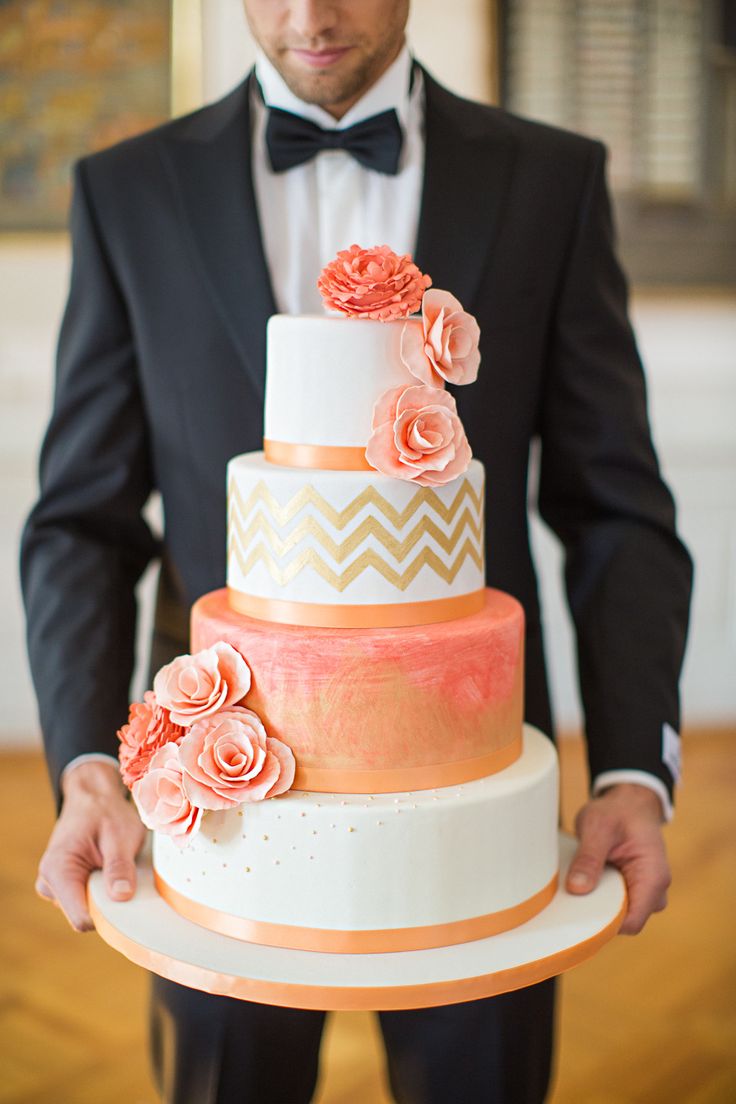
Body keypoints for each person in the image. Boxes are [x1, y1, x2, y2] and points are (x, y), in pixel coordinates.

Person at [21, 1, 692, 1101]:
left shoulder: (548, 180)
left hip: (475, 796)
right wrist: (89, 765)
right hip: (215, 798)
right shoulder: (128, 191)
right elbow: (80, 522)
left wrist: (632, 771)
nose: (308, 14)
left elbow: (616, 506)